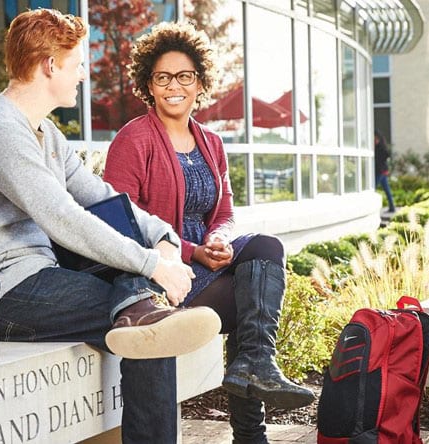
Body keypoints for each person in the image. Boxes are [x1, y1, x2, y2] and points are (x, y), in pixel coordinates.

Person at [0, 9, 222, 443]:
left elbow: (102, 197)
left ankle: (143, 313)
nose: (84, 74)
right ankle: (145, 313)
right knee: (149, 318)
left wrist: (162, 237)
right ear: (50, 65)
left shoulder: (45, 134)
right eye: (77, 63)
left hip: (41, 276)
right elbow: (63, 217)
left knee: (144, 316)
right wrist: (153, 265)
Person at [102, 22, 315, 444]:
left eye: (184, 76)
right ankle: (251, 431)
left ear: (200, 83)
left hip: (207, 262)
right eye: (163, 77)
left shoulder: (211, 142)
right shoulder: (134, 139)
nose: (174, 86)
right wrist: (192, 251)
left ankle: (256, 364)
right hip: (164, 276)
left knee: (265, 251)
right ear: (149, 84)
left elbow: (226, 211)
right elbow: (120, 224)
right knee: (249, 292)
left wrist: (218, 238)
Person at [374, 130, 396, 213]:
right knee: (387, 190)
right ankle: (392, 207)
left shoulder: (381, 148)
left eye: (376, 139)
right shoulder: (375, 148)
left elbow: (385, 156)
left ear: (379, 139)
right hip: (381, 171)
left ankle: (391, 207)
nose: (375, 140)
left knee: (372, 189)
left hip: (381, 172)